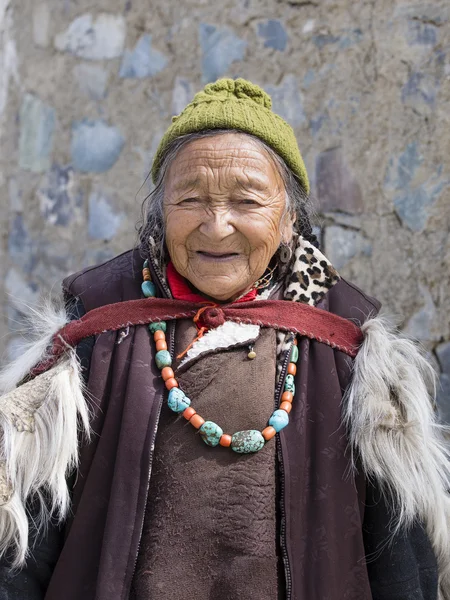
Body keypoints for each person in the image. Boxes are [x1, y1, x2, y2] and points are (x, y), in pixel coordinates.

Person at [0, 78, 448, 600]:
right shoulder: (96, 336)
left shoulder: (353, 355)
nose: (216, 227)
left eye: (247, 200)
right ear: (160, 212)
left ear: (289, 218)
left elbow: (402, 565)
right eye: (190, 199)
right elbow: (20, 547)